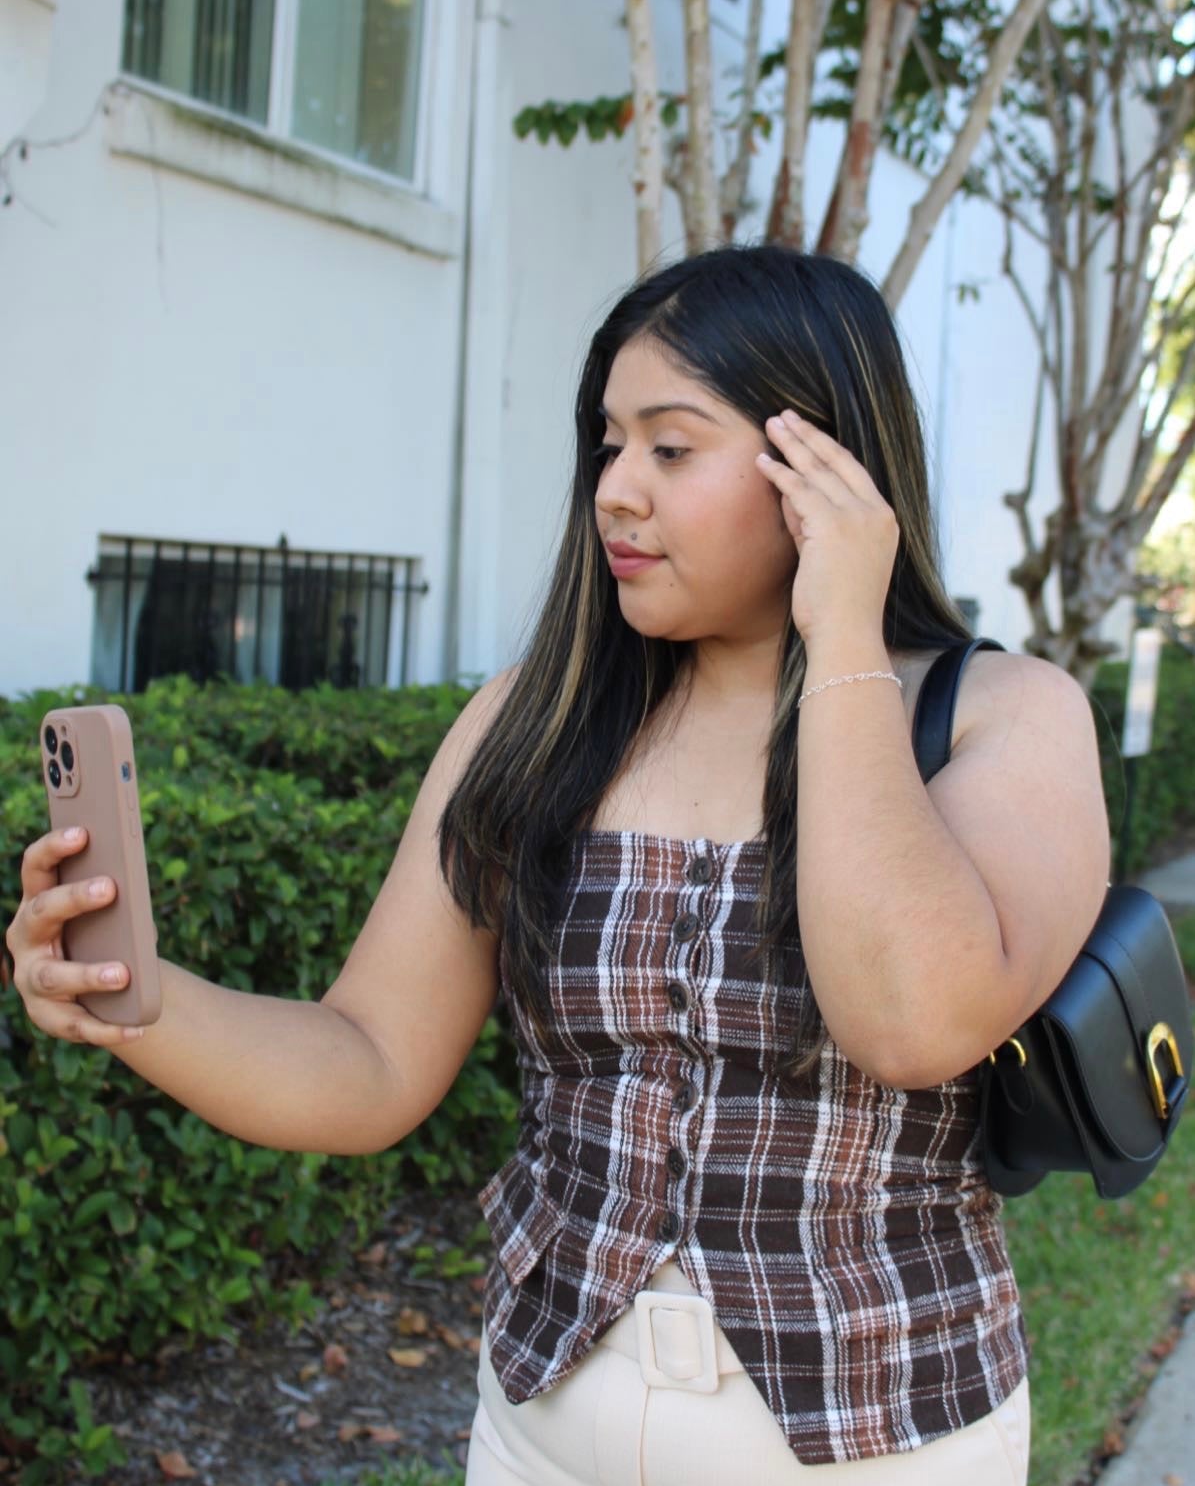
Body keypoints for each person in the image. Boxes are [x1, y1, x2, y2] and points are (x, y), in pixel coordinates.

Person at [10, 246, 1111, 1485]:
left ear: (824, 467)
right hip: (543, 1429)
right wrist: (132, 999)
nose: (615, 493)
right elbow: (368, 1061)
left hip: (882, 1436)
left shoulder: (998, 719)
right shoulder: (535, 721)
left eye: (670, 448)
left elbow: (911, 1024)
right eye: (608, 445)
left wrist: (842, 634)